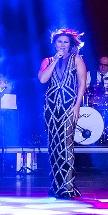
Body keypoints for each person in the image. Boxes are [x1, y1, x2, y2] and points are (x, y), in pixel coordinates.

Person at [38, 28, 87, 198]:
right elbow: (43, 79)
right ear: (55, 44)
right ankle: (56, 185)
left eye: (66, 42)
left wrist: (77, 106)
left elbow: (82, 84)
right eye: (60, 42)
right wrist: (55, 60)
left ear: (70, 44)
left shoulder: (77, 60)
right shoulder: (47, 60)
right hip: (51, 108)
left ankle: (67, 186)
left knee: (66, 145)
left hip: (69, 107)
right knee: (53, 146)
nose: (63, 45)